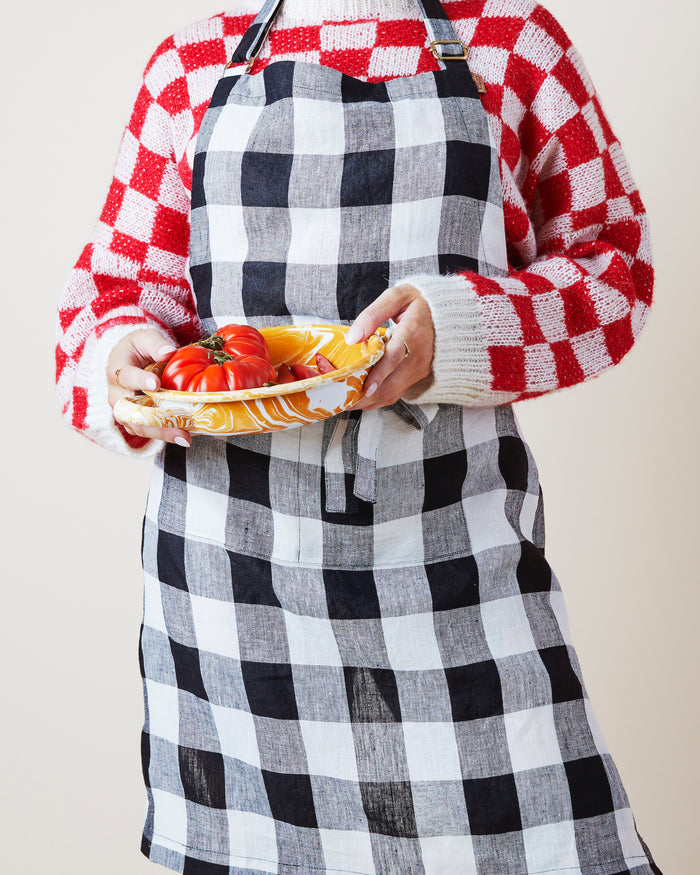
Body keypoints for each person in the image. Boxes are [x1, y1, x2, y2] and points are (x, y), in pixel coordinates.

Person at [55, 1, 661, 873]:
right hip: (234, 594)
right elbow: (108, 295)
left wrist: (452, 329)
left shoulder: (511, 39)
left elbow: (617, 271)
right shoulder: (194, 60)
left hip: (454, 572)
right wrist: (123, 358)